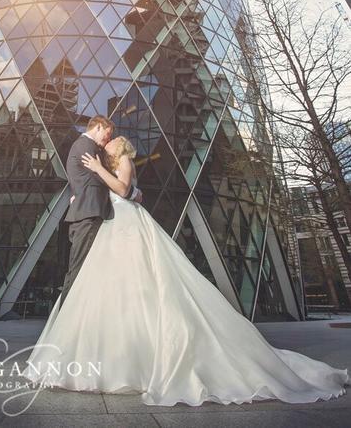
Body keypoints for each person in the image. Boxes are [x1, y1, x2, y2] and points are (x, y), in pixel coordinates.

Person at [22, 136, 349, 406]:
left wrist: (106, 177)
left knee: (145, 286)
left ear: (120, 148)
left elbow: (124, 190)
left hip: (126, 227)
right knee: (114, 293)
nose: (105, 144)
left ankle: (142, 362)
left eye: (110, 142)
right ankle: (112, 359)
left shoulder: (122, 162)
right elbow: (112, 191)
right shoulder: (101, 166)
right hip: (112, 228)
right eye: (104, 142)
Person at [59, 115, 142, 310]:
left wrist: (131, 190)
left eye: (112, 137)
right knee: (78, 270)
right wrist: (132, 192)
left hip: (96, 215)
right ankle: (65, 316)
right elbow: (102, 180)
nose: (108, 139)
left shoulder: (93, 149)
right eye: (107, 134)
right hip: (88, 215)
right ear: (98, 127)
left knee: (88, 269)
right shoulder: (86, 147)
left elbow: (98, 180)